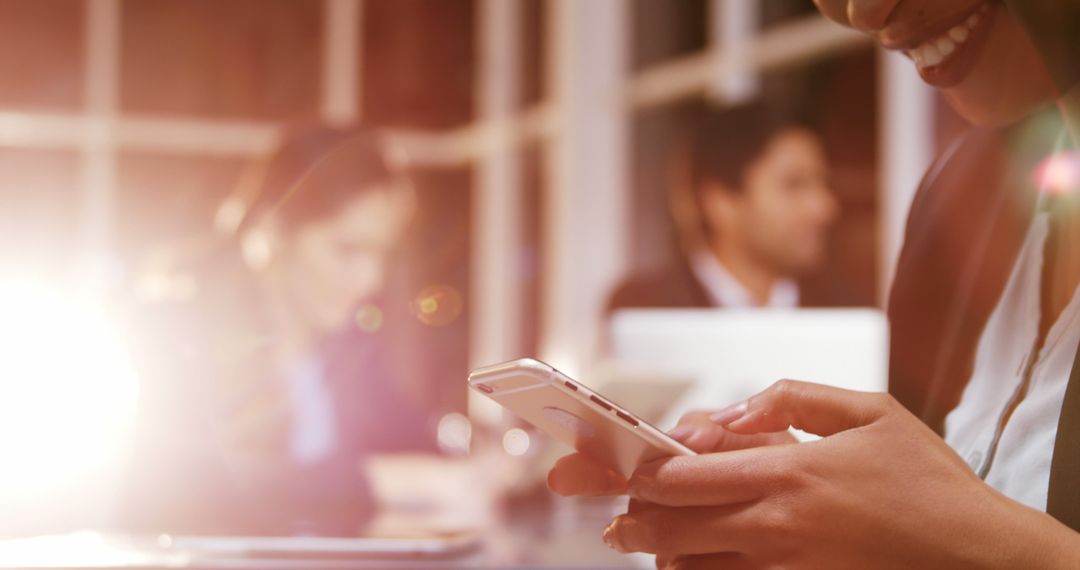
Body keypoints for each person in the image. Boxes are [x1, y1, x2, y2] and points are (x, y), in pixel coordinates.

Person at [549, 1, 1080, 568]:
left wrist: (970, 541)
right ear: (720, 201)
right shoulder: (956, 196)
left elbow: (945, 523)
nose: (860, 10)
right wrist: (819, 511)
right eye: (794, 185)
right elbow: (931, 505)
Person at [119, 126, 436, 536]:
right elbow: (211, 487)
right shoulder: (180, 329)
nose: (370, 280)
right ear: (274, 227)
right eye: (347, 250)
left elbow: (415, 440)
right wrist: (381, 482)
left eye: (381, 254)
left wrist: (479, 470)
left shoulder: (346, 346)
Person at [608, 103, 845, 312]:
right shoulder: (645, 307)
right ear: (721, 202)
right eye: (794, 185)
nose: (824, 207)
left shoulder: (845, 310)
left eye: (823, 184)